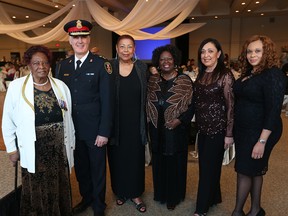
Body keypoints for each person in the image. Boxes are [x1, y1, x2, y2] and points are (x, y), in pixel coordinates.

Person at [1, 45, 75, 215]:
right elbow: (8, 121)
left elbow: (69, 118)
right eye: (36, 63)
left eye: (45, 62)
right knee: (37, 186)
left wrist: (71, 143)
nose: (41, 67)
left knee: (59, 183)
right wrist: (12, 149)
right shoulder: (17, 87)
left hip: (58, 149)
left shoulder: (61, 86)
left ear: (50, 64)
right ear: (29, 65)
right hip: (34, 148)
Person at [55, 19, 114, 216]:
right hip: (72, 130)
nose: (80, 40)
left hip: (95, 130)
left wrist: (104, 131)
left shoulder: (101, 65)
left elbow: (108, 101)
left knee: (97, 170)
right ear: (70, 40)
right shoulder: (61, 67)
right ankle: (86, 198)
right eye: (75, 37)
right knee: (81, 169)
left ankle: (98, 205)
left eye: (83, 37)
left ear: (88, 39)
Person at [231, 35, 286, 216]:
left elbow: (273, 110)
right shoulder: (250, 72)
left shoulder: (273, 74)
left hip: (261, 132)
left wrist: (261, 141)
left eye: (257, 51)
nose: (252, 55)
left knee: (244, 171)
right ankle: (256, 210)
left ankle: (237, 212)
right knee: (253, 170)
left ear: (267, 52)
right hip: (244, 130)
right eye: (249, 51)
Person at [147, 44, 194, 211]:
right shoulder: (152, 80)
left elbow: (191, 106)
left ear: (175, 61)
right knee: (159, 161)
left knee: (174, 163)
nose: (165, 62)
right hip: (156, 129)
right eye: (162, 59)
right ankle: (160, 193)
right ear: (158, 63)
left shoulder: (184, 80)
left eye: (169, 58)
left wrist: (180, 120)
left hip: (176, 131)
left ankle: (174, 196)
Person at [193, 38, 235, 216]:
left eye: (210, 51)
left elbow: (231, 106)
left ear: (218, 54)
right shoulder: (202, 74)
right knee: (207, 167)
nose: (206, 55)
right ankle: (214, 197)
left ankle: (201, 209)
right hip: (202, 130)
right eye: (203, 51)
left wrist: (229, 134)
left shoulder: (225, 75)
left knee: (208, 170)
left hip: (218, 131)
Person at [107, 34, 148, 213]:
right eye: (122, 46)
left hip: (135, 122)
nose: (125, 50)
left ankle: (136, 193)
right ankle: (121, 192)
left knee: (135, 158)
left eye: (129, 47)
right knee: (117, 158)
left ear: (134, 49)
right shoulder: (109, 67)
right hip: (115, 122)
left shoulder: (141, 67)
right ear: (116, 49)